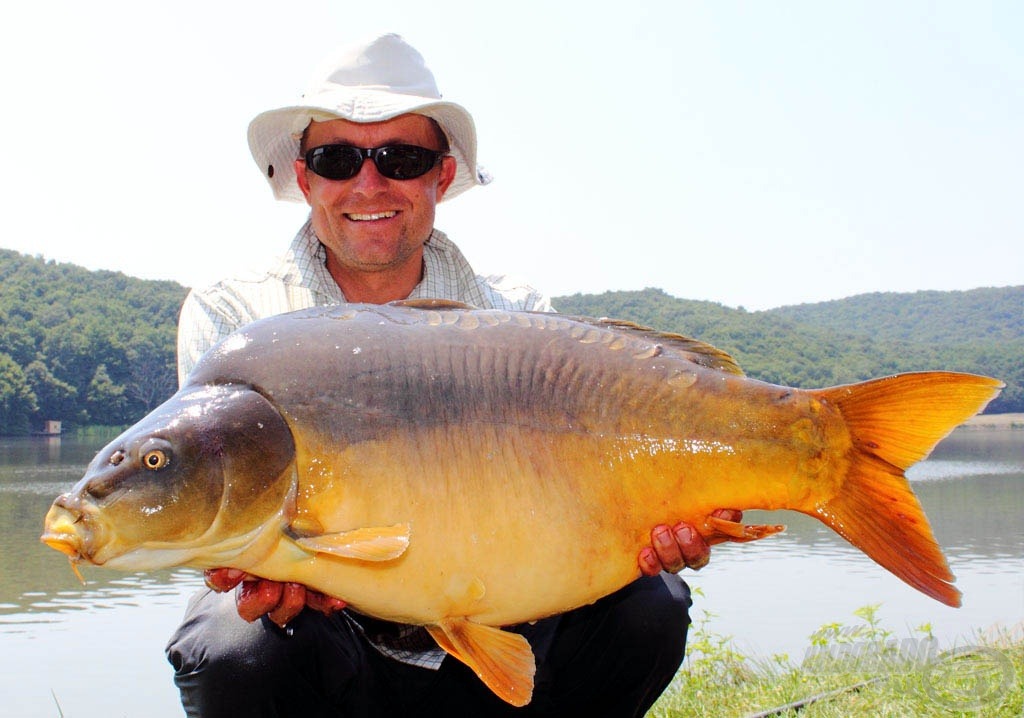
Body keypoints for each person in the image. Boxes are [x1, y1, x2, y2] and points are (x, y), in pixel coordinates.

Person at [167, 33, 737, 717]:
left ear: (440, 175)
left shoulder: (517, 316)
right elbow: (205, 510)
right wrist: (243, 571)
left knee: (652, 603)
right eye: (338, 158)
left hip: (505, 613)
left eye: (401, 158)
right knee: (235, 643)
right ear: (305, 177)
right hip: (328, 637)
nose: (369, 184)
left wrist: (661, 523)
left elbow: (589, 489)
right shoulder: (232, 317)